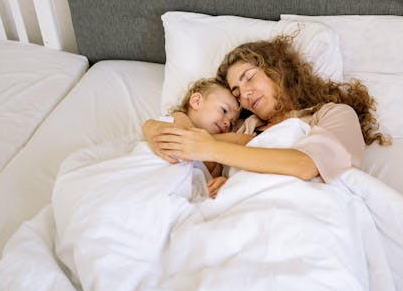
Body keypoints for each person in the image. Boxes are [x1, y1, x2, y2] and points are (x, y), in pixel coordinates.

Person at [144, 35, 390, 184]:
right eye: (237, 93)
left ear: (278, 71)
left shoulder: (331, 114)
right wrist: (152, 128)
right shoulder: (246, 127)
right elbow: (201, 161)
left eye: (249, 78)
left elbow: (306, 165)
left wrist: (211, 147)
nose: (246, 95)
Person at [142, 77, 241, 197]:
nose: (227, 123)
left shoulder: (217, 160)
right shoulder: (179, 118)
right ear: (196, 101)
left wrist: (222, 183)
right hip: (152, 178)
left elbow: (210, 180)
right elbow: (187, 138)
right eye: (224, 110)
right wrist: (233, 139)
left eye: (232, 123)